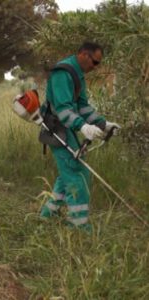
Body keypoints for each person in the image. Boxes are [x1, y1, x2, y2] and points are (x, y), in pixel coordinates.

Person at [40, 42, 120, 231]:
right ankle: (78, 226)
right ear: (84, 54)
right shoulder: (62, 73)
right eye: (95, 62)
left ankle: (47, 214)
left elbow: (83, 106)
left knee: (69, 171)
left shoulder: (77, 74)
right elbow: (62, 109)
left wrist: (103, 124)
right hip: (56, 129)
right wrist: (82, 126)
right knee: (76, 175)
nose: (95, 67)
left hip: (66, 128)